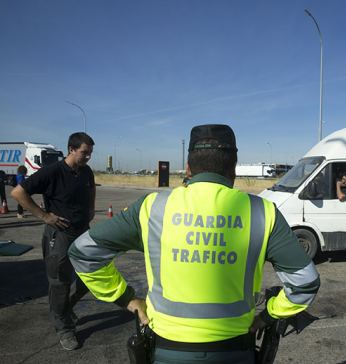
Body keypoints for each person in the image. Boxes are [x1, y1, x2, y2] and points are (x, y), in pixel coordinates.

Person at [69, 124, 320, 363]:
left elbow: (84, 253)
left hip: (166, 350)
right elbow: (305, 283)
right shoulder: (262, 213)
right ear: (233, 169)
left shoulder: (152, 208)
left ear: (188, 168)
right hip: (235, 351)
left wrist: (128, 299)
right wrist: (267, 315)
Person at [11, 132, 96, 351]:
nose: (88, 157)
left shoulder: (86, 172)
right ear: (71, 149)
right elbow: (18, 193)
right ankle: (64, 328)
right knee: (60, 284)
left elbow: (91, 189)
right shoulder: (52, 171)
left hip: (83, 233)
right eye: (84, 153)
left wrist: (90, 210)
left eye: (90, 153)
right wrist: (44, 216)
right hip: (60, 236)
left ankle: (67, 309)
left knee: (92, 278)